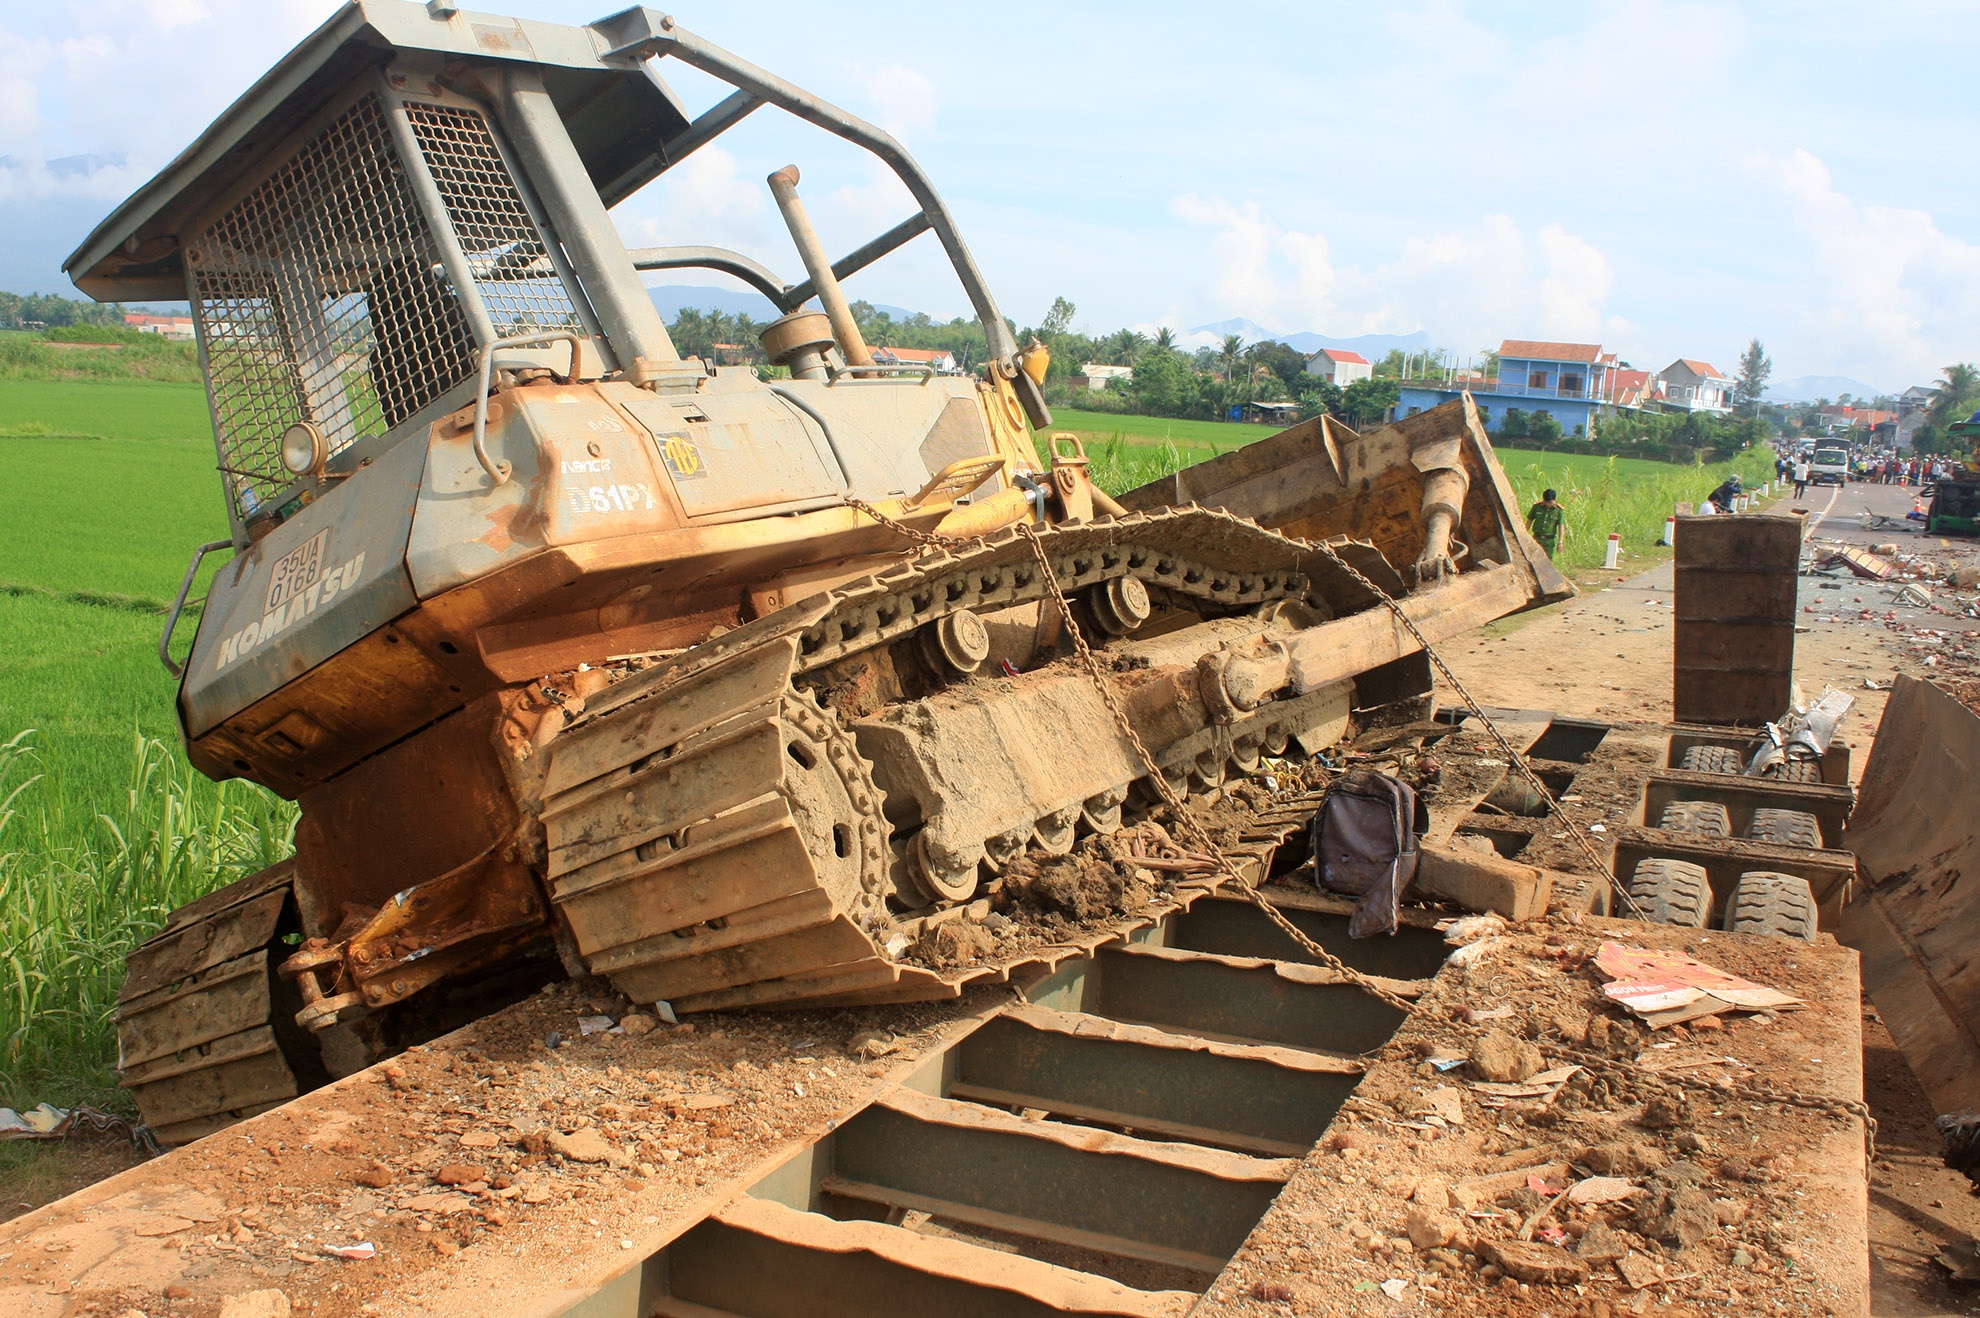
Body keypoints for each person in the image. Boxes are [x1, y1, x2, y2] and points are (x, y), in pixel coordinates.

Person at [1526, 488, 1564, 558]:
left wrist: (1560, 542)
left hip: (1549, 541)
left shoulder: (1558, 511)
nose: (1548, 504)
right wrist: (1524, 534)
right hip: (1537, 539)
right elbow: (1529, 521)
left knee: (1548, 560)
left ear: (1555, 500)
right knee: (1534, 558)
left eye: (1550, 502)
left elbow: (1561, 526)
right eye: (1546, 502)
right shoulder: (1537, 507)